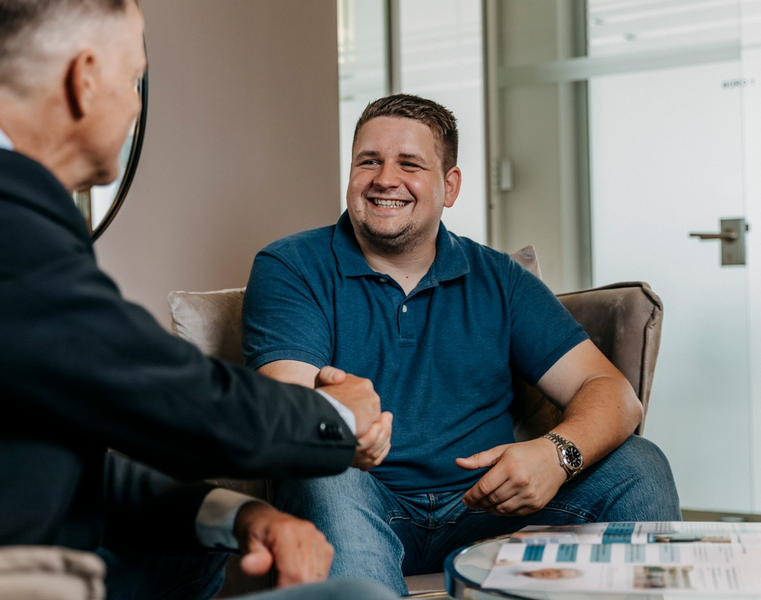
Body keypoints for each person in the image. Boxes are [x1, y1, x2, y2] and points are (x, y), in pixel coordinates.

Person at [0, 2, 399, 599]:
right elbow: (152, 387)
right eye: (134, 77)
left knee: (193, 552)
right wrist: (339, 416)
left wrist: (239, 514)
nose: (137, 104)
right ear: (84, 78)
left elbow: (53, 454)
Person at [242, 93, 682, 595]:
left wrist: (554, 455)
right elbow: (286, 406)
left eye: (409, 164)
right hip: (361, 501)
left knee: (640, 463)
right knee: (323, 472)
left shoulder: (500, 278)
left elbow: (611, 391)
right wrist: (333, 420)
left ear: (449, 185)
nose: (385, 179)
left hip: (489, 508)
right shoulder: (292, 266)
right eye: (369, 161)